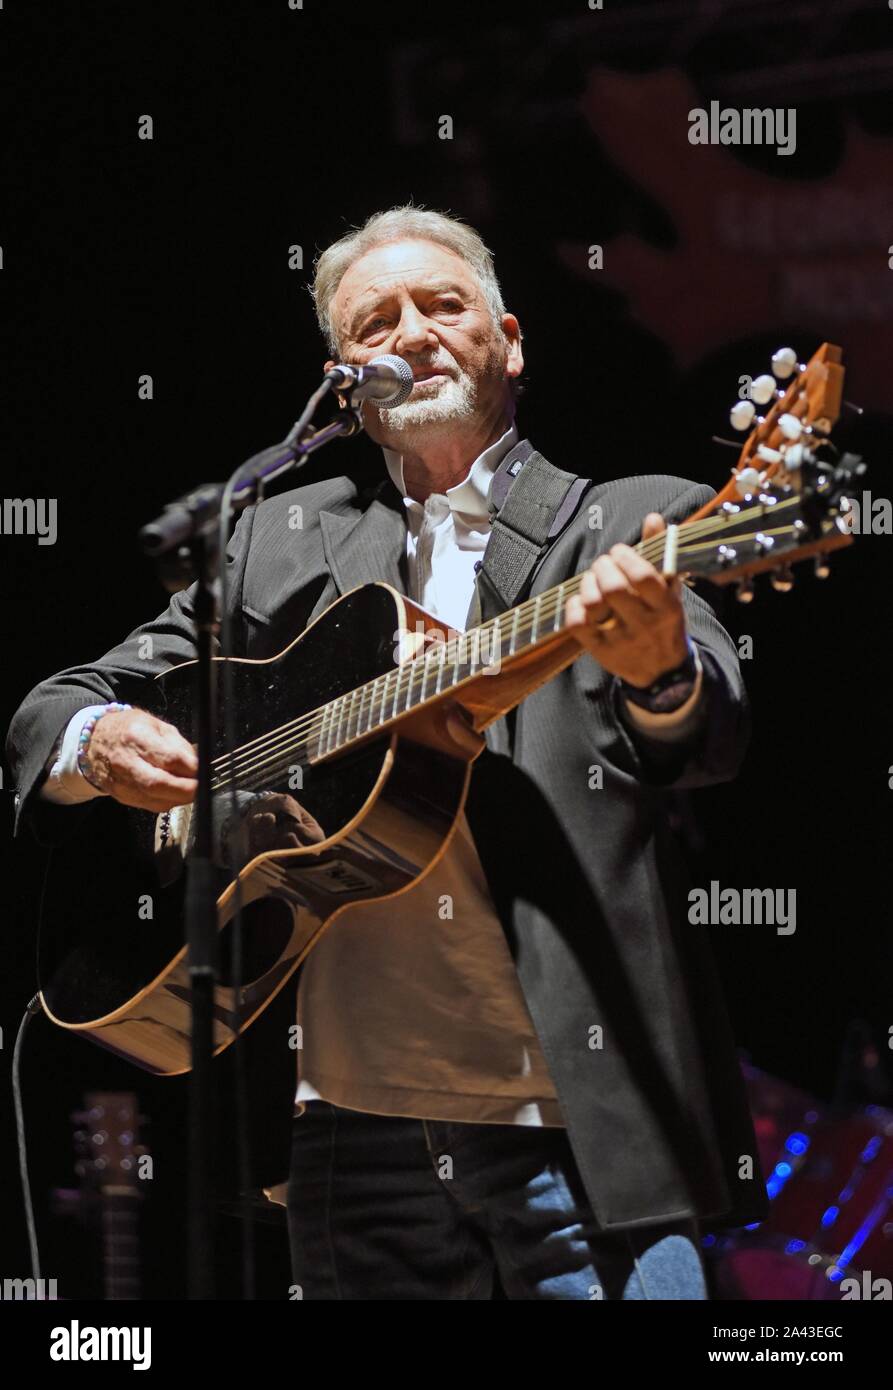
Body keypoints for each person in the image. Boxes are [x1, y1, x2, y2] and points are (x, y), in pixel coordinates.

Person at [7, 205, 767, 1300]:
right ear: (342, 377)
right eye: (375, 321)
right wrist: (100, 742)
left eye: (441, 305)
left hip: (570, 1127)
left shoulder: (629, 526)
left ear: (508, 340)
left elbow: (706, 733)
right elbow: (57, 703)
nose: (409, 332)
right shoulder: (277, 536)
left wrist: (655, 669)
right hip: (341, 1134)